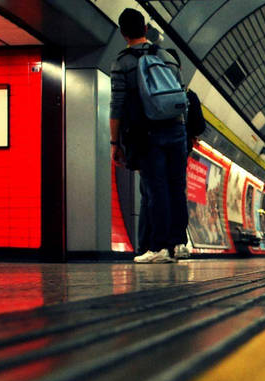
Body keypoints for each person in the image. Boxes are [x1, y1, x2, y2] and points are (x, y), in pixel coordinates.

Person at [110, 8, 188, 263]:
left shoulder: (122, 62)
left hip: (148, 132)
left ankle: (158, 248)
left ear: (123, 34)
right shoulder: (167, 56)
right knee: (177, 187)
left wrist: (115, 142)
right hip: (176, 129)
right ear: (145, 29)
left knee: (157, 190)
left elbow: (117, 105)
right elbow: (180, 95)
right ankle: (177, 244)